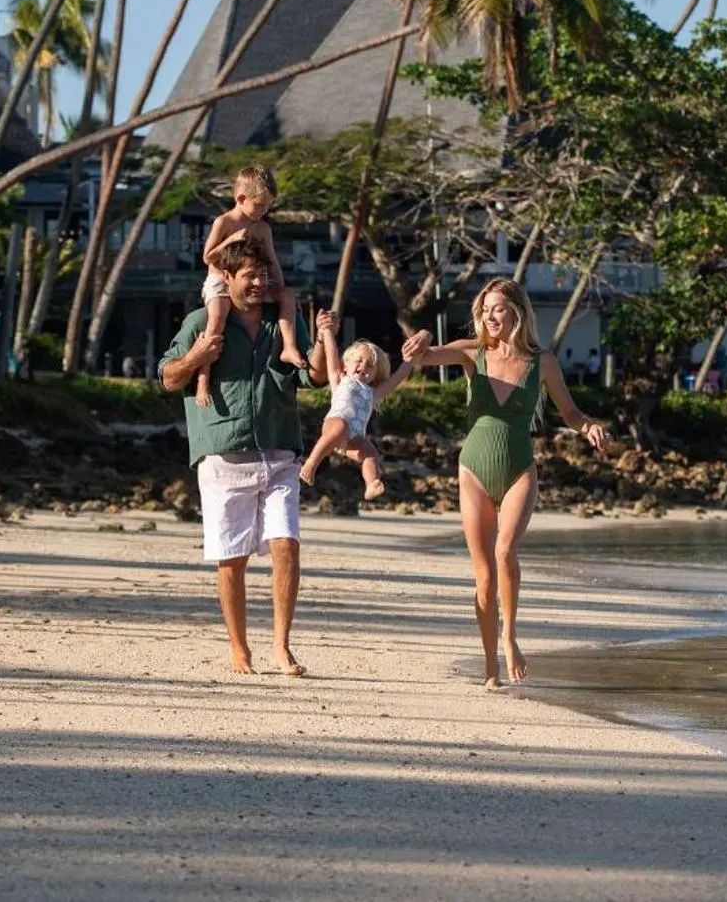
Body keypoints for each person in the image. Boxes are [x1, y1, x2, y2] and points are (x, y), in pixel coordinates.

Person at [404, 277, 610, 690]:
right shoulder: (472, 354)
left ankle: (510, 636)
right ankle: (489, 664)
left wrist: (587, 426)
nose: (489, 316)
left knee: (505, 551)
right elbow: (423, 357)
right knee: (483, 575)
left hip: (519, 469)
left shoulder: (543, 362)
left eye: (497, 308)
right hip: (473, 470)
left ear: (516, 311)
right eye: (484, 310)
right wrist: (422, 335)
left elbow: (569, 412)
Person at [158, 235, 328, 678]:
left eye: (264, 273)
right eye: (249, 275)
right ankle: (239, 649)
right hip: (223, 453)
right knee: (231, 558)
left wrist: (326, 342)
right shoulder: (202, 320)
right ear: (226, 278)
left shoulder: (285, 322)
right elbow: (168, 377)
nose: (259, 282)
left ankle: (282, 647)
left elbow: (313, 380)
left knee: (287, 545)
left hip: (280, 449)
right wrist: (198, 355)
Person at [197, 164, 304, 407]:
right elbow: (207, 257)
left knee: (288, 295)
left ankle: (288, 347)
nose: (263, 211)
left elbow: (273, 261)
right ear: (241, 198)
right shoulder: (224, 223)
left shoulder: (262, 227)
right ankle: (204, 377)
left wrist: (279, 289)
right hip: (221, 279)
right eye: (259, 205)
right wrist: (232, 240)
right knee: (216, 320)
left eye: (267, 206)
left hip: (255, 278)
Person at [299, 328, 414, 501]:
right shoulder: (340, 379)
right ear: (345, 365)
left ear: (375, 374)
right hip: (334, 424)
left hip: (352, 437)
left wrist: (409, 360)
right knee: (341, 426)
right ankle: (311, 463)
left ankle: (372, 484)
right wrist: (328, 332)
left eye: (370, 366)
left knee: (371, 454)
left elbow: (397, 378)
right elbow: (331, 354)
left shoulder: (373, 393)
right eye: (358, 361)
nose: (363, 366)